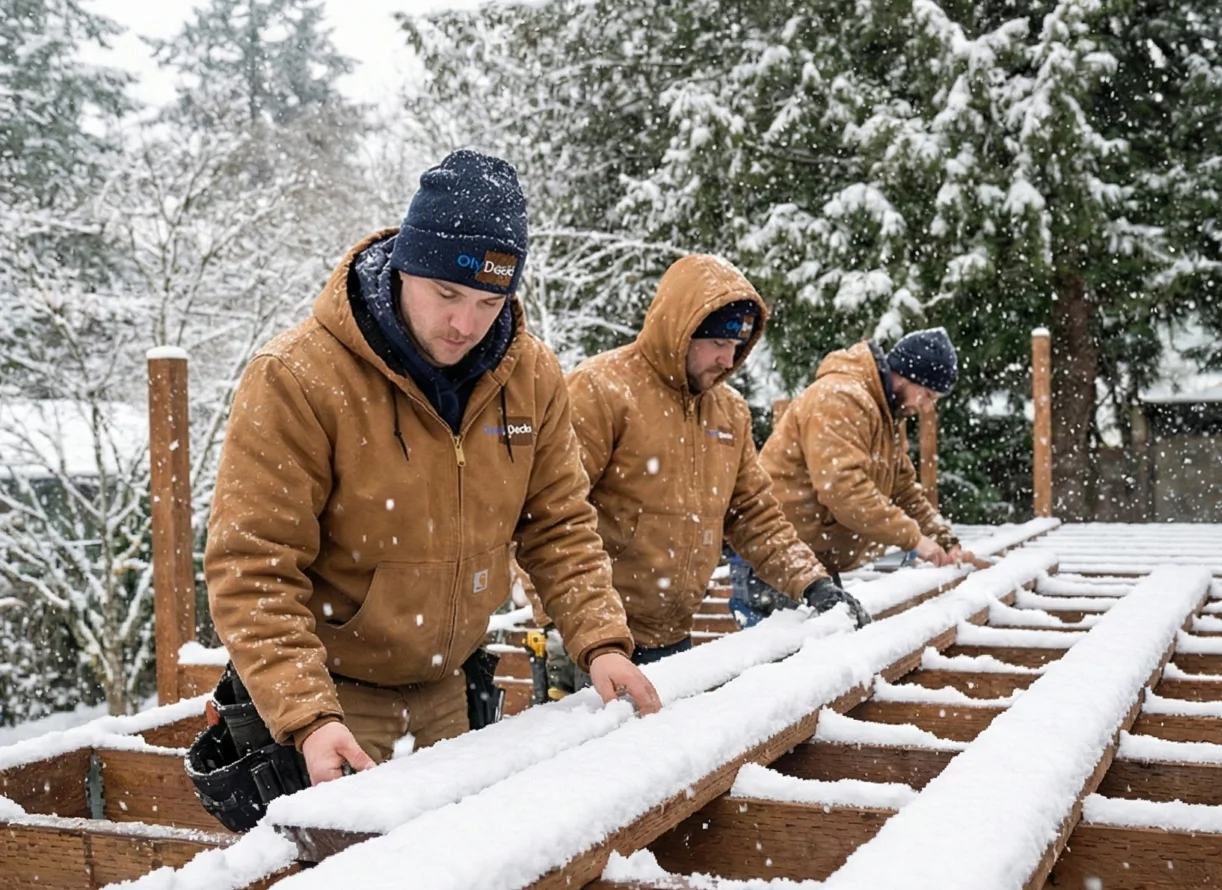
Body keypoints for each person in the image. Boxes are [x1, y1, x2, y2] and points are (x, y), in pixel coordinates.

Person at [205, 149, 660, 781]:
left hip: (450, 691)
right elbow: (253, 566)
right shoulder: (297, 378)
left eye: (488, 301)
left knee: (460, 867)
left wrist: (601, 642)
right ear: (403, 267)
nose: (463, 323)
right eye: (446, 292)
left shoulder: (531, 376)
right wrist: (308, 714)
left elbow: (558, 527)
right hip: (333, 696)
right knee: (347, 876)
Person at [563, 254, 862, 664]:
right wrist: (581, 630)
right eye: (719, 344)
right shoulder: (601, 390)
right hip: (595, 641)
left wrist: (813, 583)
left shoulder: (729, 412)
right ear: (681, 334)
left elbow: (754, 514)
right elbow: (551, 512)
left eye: (737, 346)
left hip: (674, 635)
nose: (729, 360)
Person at [761, 328, 976, 574]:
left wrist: (943, 541)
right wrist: (913, 539)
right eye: (926, 395)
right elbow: (843, 489)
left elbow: (903, 491)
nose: (926, 408)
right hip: (777, 557)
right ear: (906, 376)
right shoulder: (840, 399)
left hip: (812, 563)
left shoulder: (888, 415)